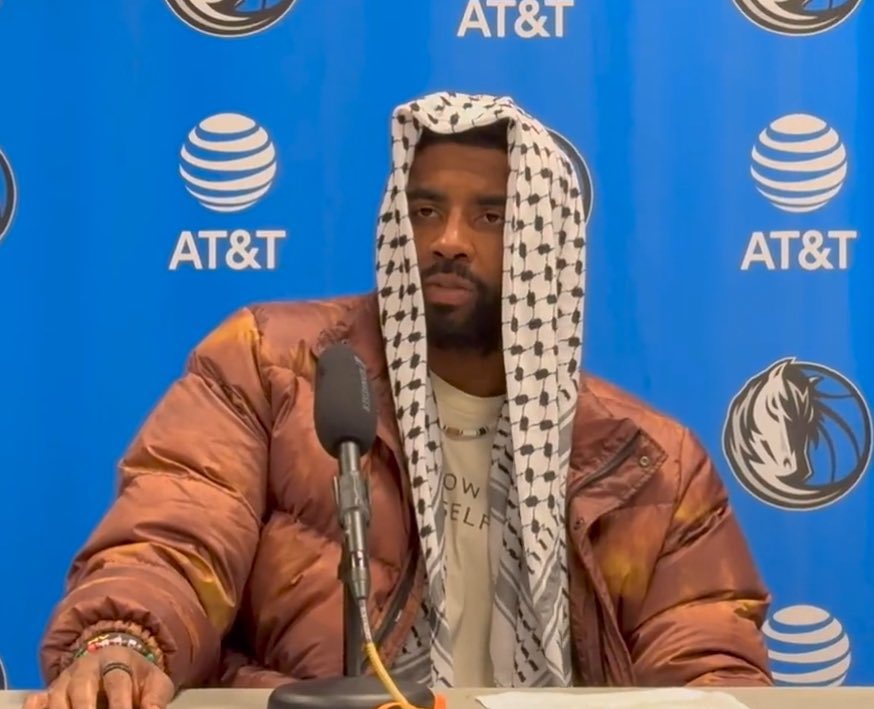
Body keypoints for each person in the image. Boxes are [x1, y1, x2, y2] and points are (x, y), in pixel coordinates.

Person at [26, 91, 772, 709]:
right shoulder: (271, 367)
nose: (447, 240)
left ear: (546, 244)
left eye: (490, 216)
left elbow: (708, 666)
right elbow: (175, 535)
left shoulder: (651, 460)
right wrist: (122, 641)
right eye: (424, 211)